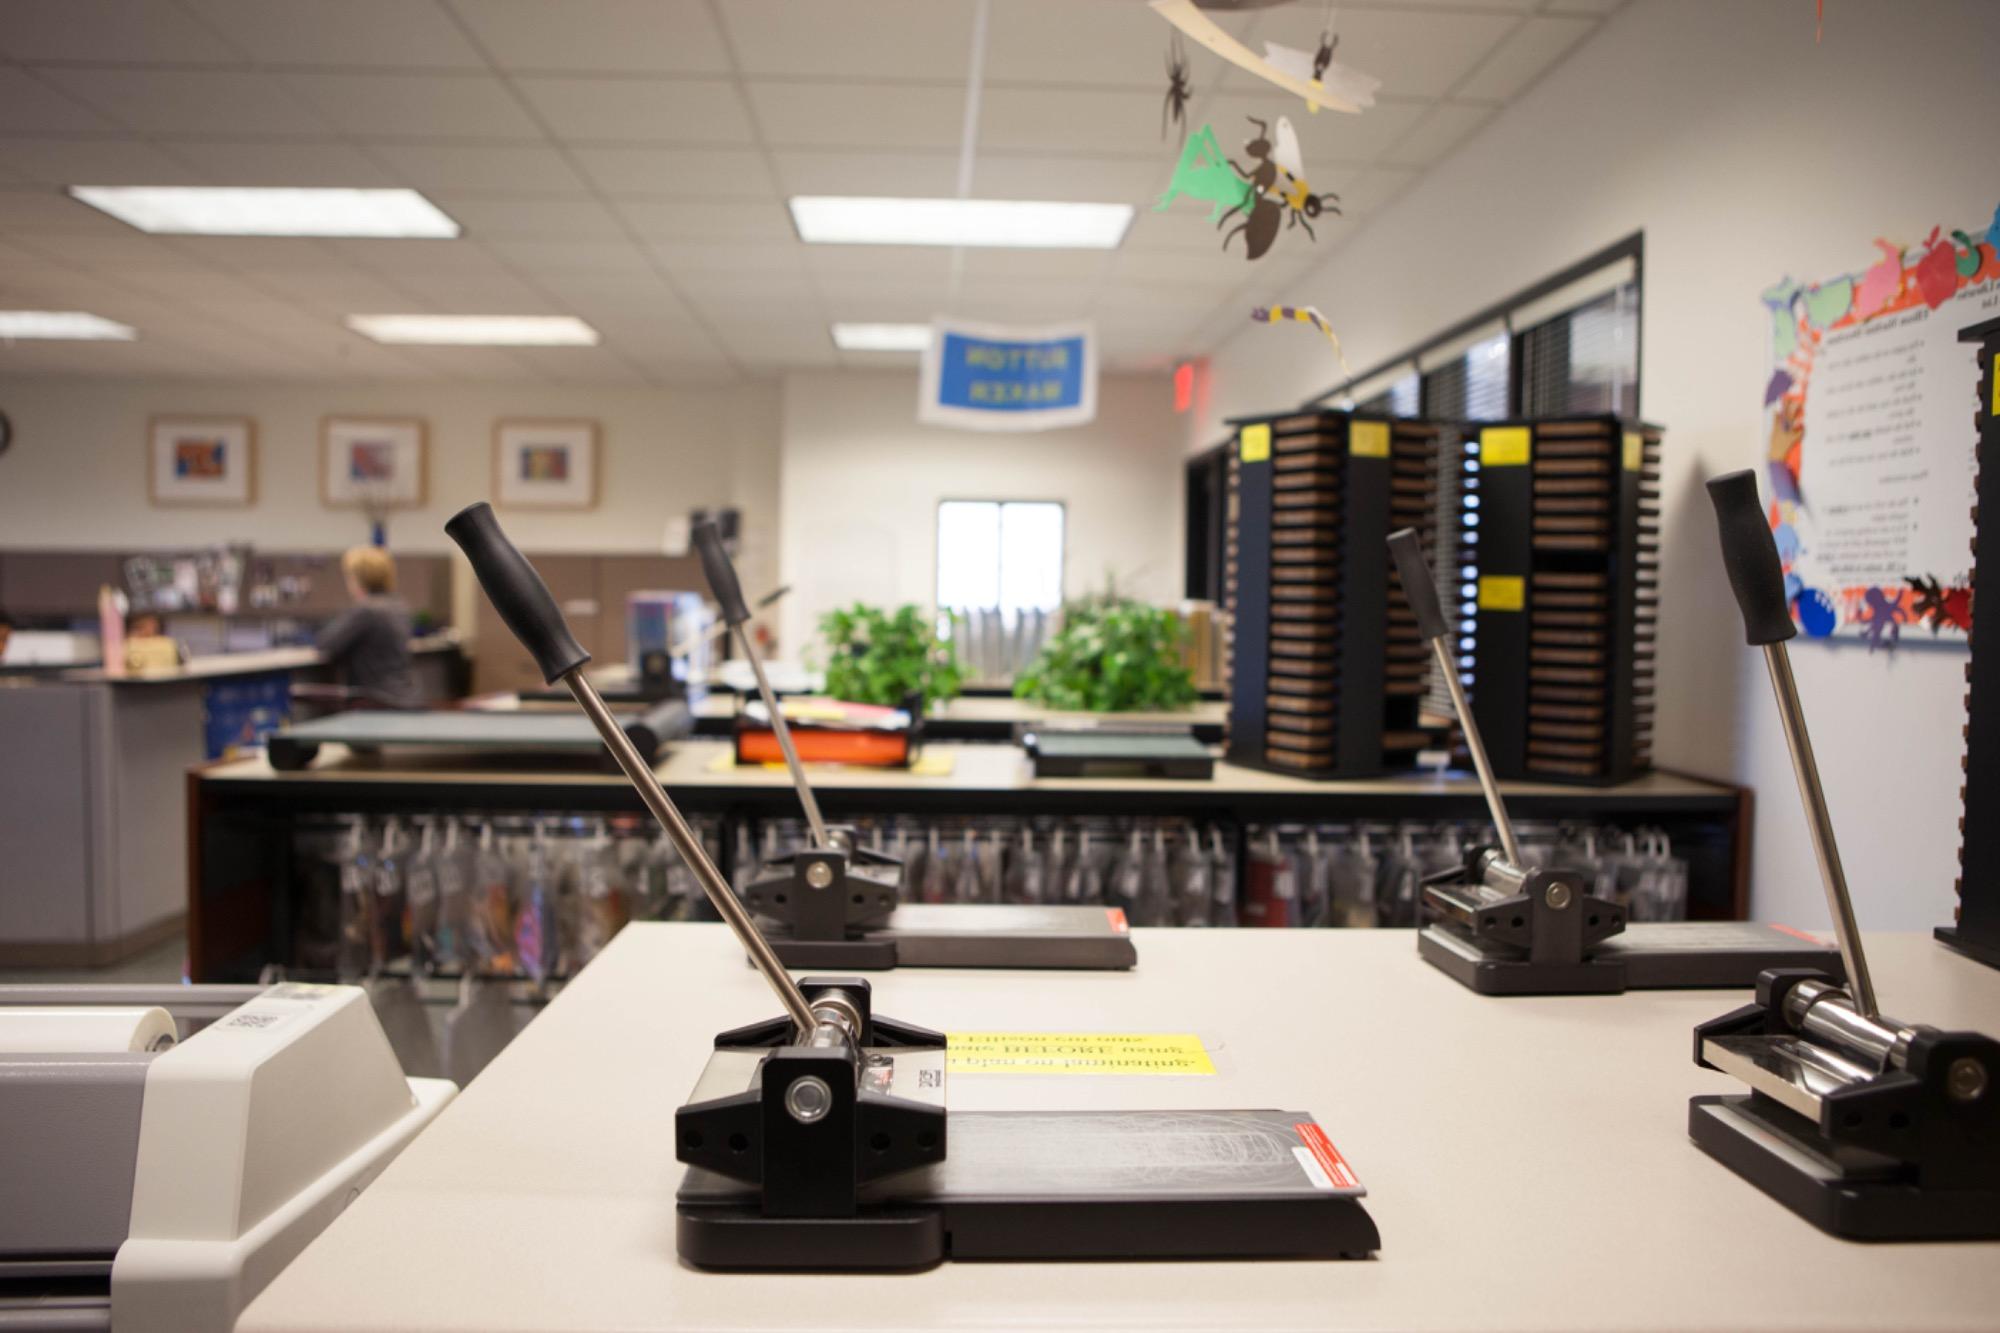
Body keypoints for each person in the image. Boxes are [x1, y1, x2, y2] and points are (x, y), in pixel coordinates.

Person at [316, 546, 419, 709]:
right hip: (404, 697)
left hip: (377, 703)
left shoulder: (367, 610)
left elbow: (326, 643)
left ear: (359, 578)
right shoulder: (398, 606)